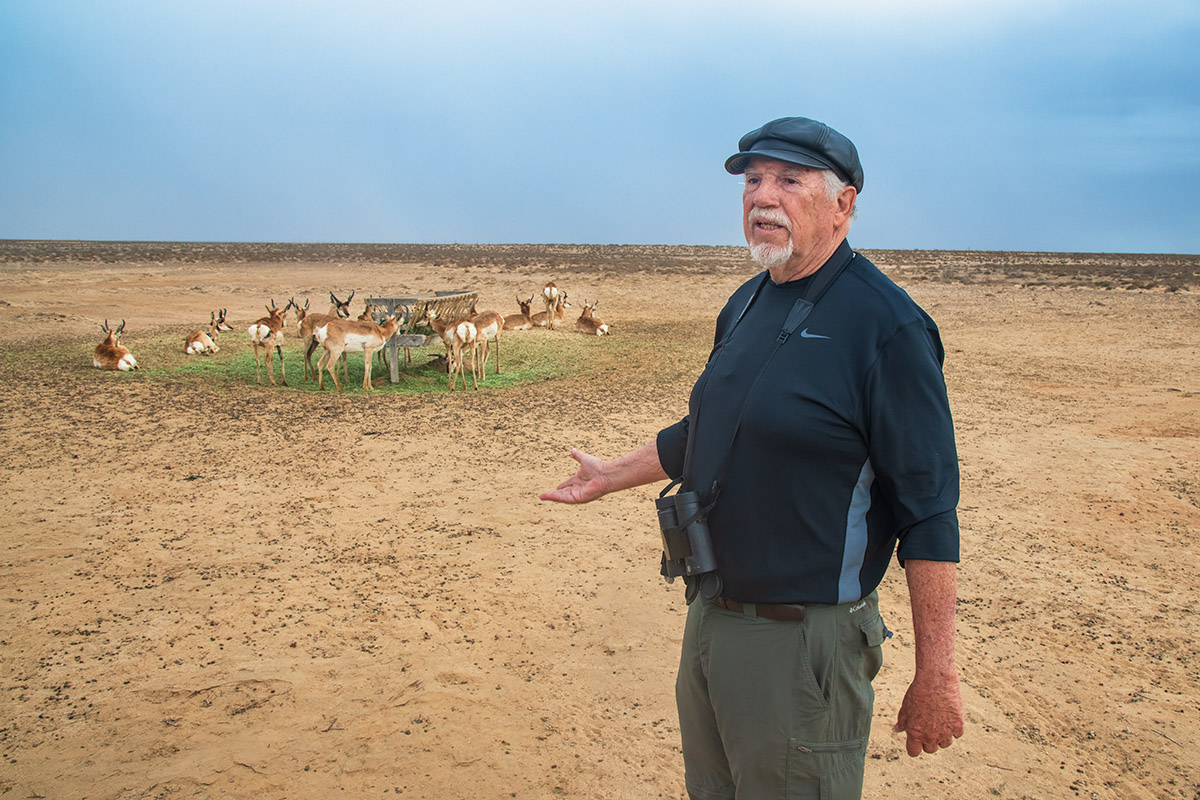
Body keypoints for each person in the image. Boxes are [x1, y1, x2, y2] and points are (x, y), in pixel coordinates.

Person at [540, 116, 964, 799]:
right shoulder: (747, 302)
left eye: (789, 181)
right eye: (754, 180)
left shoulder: (889, 329)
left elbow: (930, 514)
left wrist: (937, 673)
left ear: (844, 204)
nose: (761, 198)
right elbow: (711, 428)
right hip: (712, 620)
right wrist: (611, 474)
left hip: (802, 646)